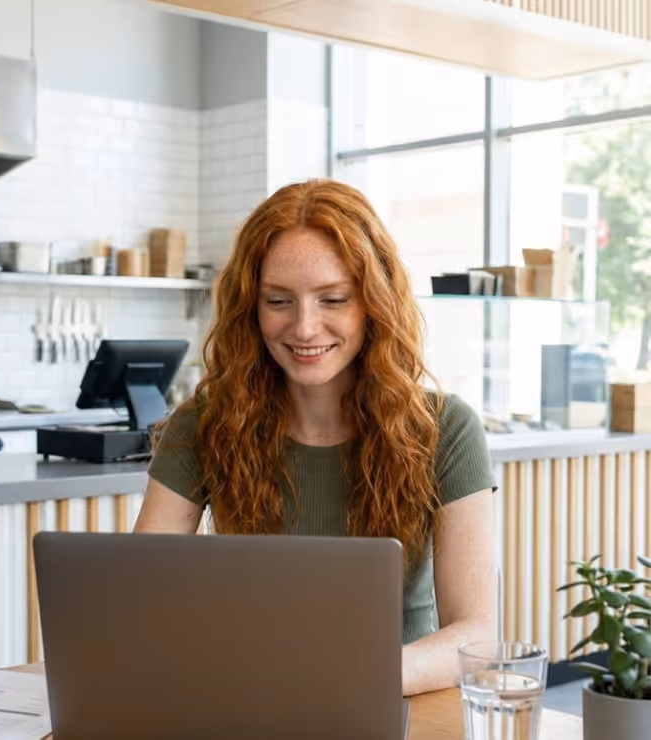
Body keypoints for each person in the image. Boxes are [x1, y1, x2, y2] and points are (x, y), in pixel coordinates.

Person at [133, 179, 497, 697]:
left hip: (396, 704)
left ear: (374, 302)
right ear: (250, 309)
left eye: (333, 299)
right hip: (248, 701)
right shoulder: (202, 424)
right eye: (278, 301)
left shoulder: (446, 429)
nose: (304, 328)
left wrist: (349, 679)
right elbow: (139, 599)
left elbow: (477, 634)